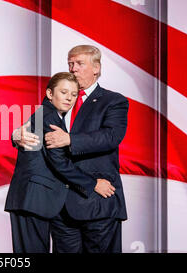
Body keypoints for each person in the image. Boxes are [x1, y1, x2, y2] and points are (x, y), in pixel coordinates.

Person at [13, 45, 129, 253]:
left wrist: (70, 139)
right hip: (61, 208)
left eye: (79, 64)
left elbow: (111, 137)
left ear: (96, 68)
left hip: (97, 201)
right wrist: (15, 136)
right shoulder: (58, 99)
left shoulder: (113, 101)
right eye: (70, 64)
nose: (73, 69)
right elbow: (34, 127)